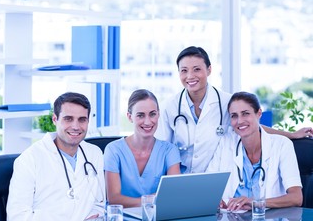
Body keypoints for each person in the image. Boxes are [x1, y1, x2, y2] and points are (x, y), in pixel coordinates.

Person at [155, 46, 313, 173]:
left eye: (197, 69)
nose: (190, 76)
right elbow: (162, 149)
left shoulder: (226, 102)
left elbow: (253, 128)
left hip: (215, 181)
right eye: (184, 70)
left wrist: (292, 135)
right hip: (180, 182)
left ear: (209, 70)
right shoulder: (170, 106)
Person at [7, 92, 105, 221]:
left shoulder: (94, 154)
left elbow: (99, 204)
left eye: (82, 119)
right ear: (55, 119)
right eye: (68, 118)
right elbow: (17, 217)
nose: (75, 126)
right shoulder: (29, 160)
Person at [207, 91, 302, 211]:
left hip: (269, 217)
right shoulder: (226, 143)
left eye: (245, 114)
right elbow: (209, 187)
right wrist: (216, 201)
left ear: (259, 114)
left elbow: (296, 198)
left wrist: (256, 202)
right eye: (234, 116)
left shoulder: (282, 145)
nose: (240, 121)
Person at [104, 89, 181, 208]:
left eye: (152, 114)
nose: (147, 121)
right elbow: (114, 199)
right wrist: (151, 201)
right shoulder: (114, 150)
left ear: (158, 115)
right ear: (130, 117)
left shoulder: (169, 151)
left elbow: (173, 194)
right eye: (140, 115)